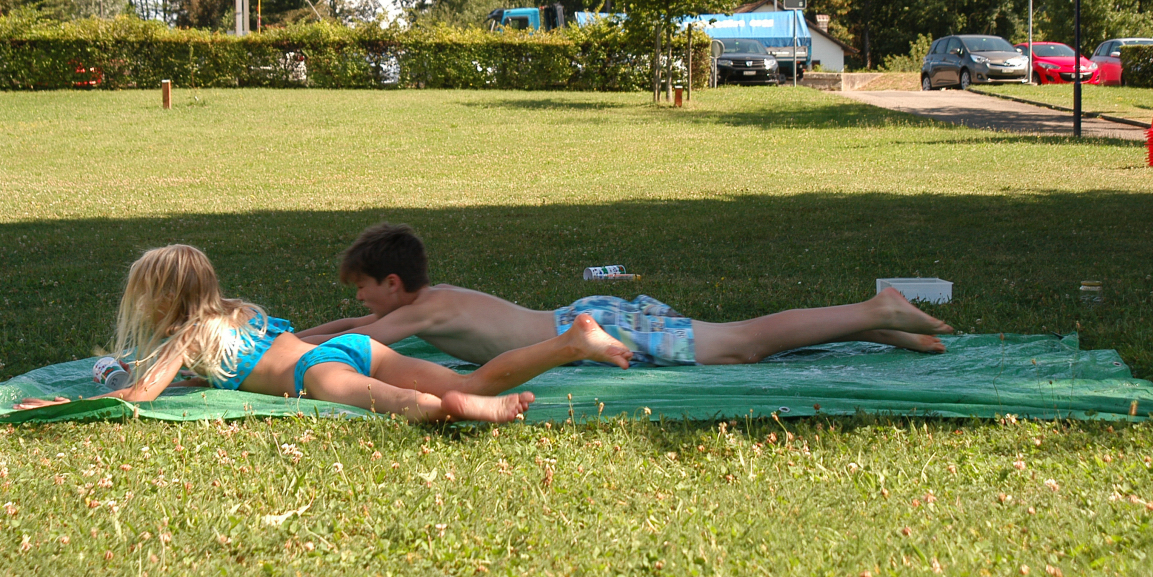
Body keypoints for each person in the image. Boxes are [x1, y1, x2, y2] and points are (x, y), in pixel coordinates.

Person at [14, 244, 633, 422]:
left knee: (404, 404)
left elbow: (138, 396)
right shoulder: (239, 312)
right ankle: (571, 340)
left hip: (316, 373)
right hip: (345, 350)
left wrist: (60, 406)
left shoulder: (186, 340)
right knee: (457, 381)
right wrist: (358, 324)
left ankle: (463, 409)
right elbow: (305, 334)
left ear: (162, 302)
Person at [297, 222, 954, 367]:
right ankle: (876, 328)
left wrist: (287, 346)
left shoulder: (425, 311)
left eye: (363, 291)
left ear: (392, 283)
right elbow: (351, 327)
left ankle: (876, 308)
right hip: (595, 317)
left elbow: (360, 341)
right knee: (742, 340)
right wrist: (300, 331)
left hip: (604, 327)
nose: (360, 303)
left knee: (745, 343)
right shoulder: (429, 298)